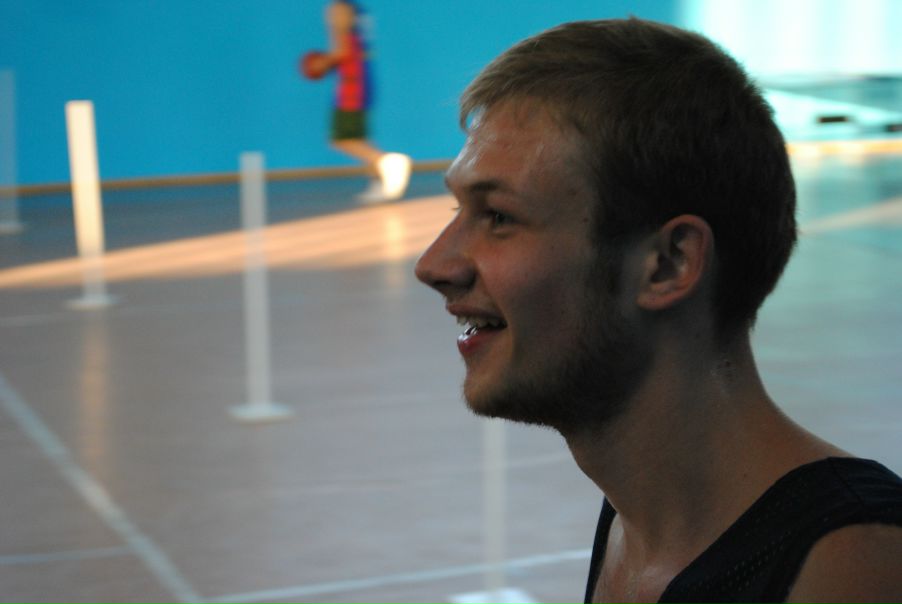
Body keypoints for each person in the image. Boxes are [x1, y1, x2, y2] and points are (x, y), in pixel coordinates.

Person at [414, 18, 902, 603]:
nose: (434, 264)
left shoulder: (851, 564)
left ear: (669, 264)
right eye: (459, 210)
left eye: (498, 216)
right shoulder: (636, 525)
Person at [319, 0, 411, 201]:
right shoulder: (358, 12)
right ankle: (379, 182)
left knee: (343, 138)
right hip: (360, 82)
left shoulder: (340, 11)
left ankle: (386, 161)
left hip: (351, 86)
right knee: (360, 138)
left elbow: (342, 51)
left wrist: (321, 63)